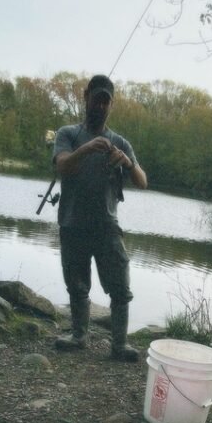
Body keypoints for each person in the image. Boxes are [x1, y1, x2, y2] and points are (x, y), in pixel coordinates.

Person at [52, 74, 148, 362]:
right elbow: (62, 166)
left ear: (112, 105)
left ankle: (119, 345)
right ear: (86, 97)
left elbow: (142, 181)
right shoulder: (67, 134)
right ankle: (79, 336)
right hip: (72, 223)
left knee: (121, 289)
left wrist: (129, 163)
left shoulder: (120, 142)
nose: (101, 106)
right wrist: (85, 149)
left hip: (107, 226)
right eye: (97, 99)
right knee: (77, 285)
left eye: (107, 101)